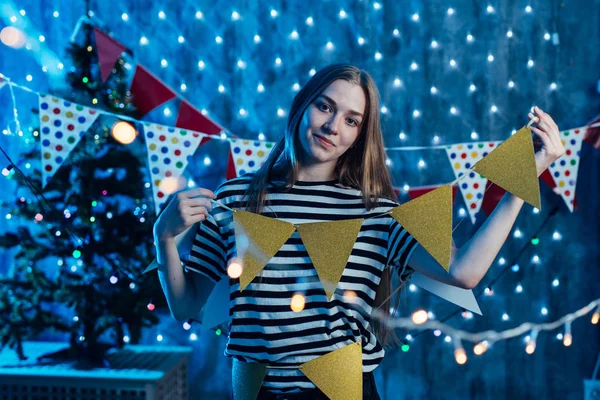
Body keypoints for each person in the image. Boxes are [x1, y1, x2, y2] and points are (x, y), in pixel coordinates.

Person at [153, 64, 564, 399]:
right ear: (302, 106)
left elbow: (465, 272)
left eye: (351, 120)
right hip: (254, 392)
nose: (333, 126)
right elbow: (187, 305)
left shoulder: (376, 212)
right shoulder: (235, 197)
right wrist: (165, 237)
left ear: (359, 135)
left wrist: (525, 177)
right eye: (325, 107)